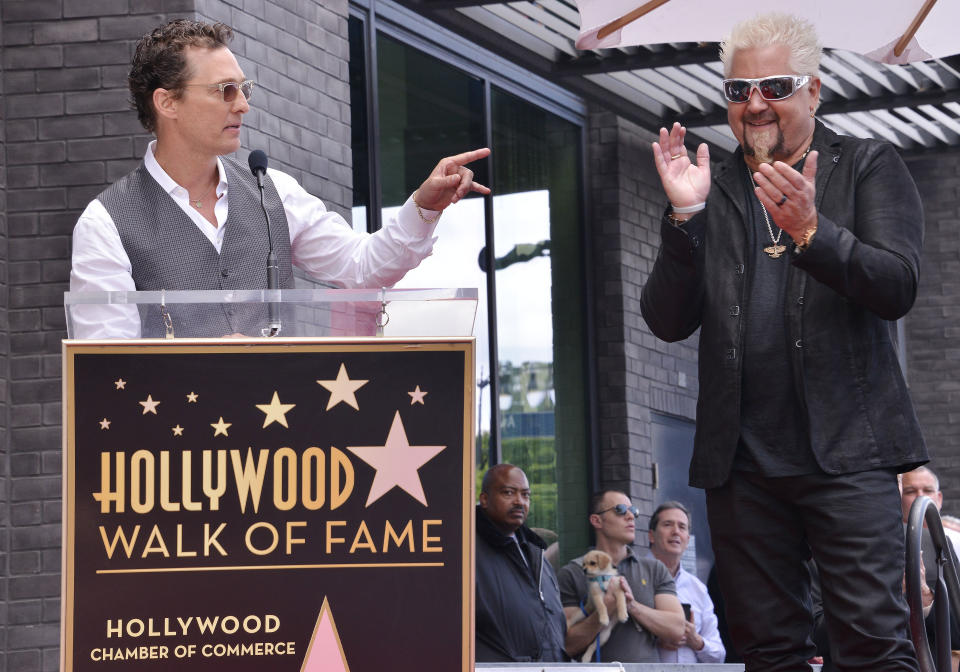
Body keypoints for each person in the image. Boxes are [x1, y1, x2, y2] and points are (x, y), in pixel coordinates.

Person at [640, 12, 927, 671]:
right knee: (767, 652)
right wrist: (684, 220)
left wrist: (812, 232)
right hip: (744, 466)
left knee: (873, 648)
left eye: (774, 85)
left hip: (848, 454)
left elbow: (898, 285)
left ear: (814, 91)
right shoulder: (710, 186)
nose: (755, 103)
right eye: (739, 91)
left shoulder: (867, 166)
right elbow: (665, 320)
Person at [69, 19, 489, 338]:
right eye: (225, 90)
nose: (243, 106)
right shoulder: (105, 223)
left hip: (282, 444)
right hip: (171, 449)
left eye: (245, 89)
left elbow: (361, 268)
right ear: (167, 102)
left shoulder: (273, 191)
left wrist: (424, 206)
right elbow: (105, 365)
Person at [557, 490, 685, 662]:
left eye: (634, 511)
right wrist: (606, 609)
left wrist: (631, 606)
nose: (630, 516)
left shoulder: (654, 568)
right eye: (620, 509)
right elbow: (566, 644)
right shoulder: (573, 572)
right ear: (597, 520)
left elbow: (677, 629)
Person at [474, 464, 567, 662]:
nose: (519, 502)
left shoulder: (537, 553)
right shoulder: (467, 551)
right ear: (484, 499)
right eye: (508, 493)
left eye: (526, 495)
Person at [646, 501, 725, 663]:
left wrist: (696, 641)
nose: (675, 532)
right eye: (668, 524)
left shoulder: (698, 589)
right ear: (651, 535)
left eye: (682, 527)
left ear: (687, 540)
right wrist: (655, 638)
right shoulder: (632, 576)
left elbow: (719, 655)